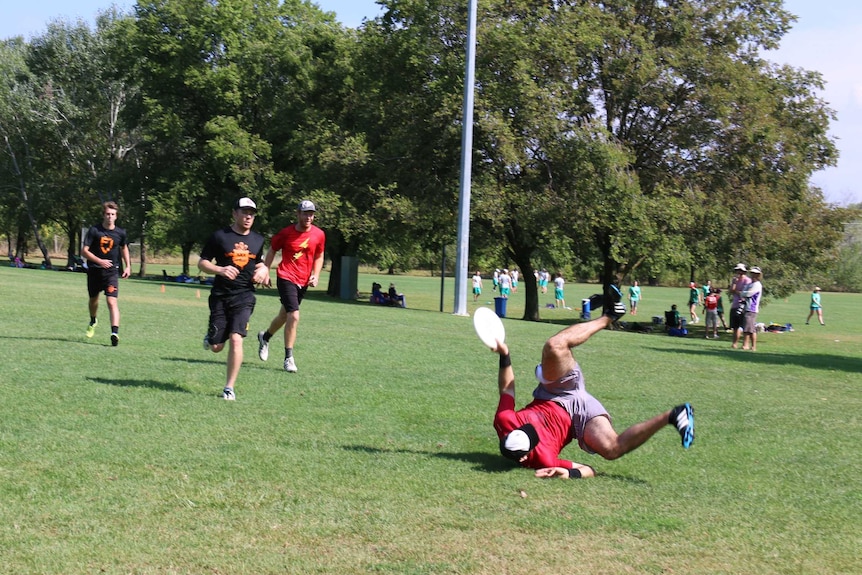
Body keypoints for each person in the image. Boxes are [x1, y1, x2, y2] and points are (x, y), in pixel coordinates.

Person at [491, 300, 694, 480]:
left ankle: (609, 317)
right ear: (526, 456)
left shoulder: (505, 422)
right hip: (579, 416)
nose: (529, 427)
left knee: (555, 346)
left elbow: (507, 390)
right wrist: (568, 473)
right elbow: (588, 469)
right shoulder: (544, 459)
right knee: (611, 449)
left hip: (554, 391)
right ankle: (674, 415)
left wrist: (505, 354)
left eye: (523, 429)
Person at [197, 197, 270, 400]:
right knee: (217, 347)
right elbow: (202, 263)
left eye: (252, 213)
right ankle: (211, 336)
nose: (248, 216)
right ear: (234, 213)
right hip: (220, 296)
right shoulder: (220, 236)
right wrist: (220, 269)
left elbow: (260, 262)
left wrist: (264, 270)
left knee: (236, 340)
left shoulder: (258, 240)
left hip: (245, 296)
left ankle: (229, 387)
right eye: (244, 212)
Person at [257, 200, 326, 373]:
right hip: (286, 276)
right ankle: (289, 358)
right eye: (305, 213)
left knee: (284, 316)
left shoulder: (319, 234)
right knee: (293, 316)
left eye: (311, 213)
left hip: (303, 281)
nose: (308, 217)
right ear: (297, 214)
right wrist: (265, 270)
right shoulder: (286, 233)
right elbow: (272, 249)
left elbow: (319, 255)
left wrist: (316, 275)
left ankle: (264, 337)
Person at [82, 201, 131, 346]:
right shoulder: (94, 231)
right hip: (94, 272)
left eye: (113, 214)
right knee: (93, 300)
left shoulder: (120, 233)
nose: (110, 217)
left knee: (111, 301)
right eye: (108, 214)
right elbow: (84, 251)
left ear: (116, 216)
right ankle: (93, 320)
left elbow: (124, 248)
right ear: (103, 215)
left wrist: (128, 266)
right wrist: (99, 261)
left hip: (111, 273)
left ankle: (114, 333)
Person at [738, 266, 763, 351]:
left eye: (755, 274)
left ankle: (747, 345)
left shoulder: (757, 285)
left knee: (748, 329)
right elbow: (744, 291)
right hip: (747, 308)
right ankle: (752, 346)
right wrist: (743, 293)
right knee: (750, 328)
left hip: (751, 309)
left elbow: (748, 294)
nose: (753, 275)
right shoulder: (750, 284)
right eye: (752, 273)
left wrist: (742, 293)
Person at [729, 263, 752, 349]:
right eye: (738, 270)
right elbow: (731, 291)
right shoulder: (735, 280)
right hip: (735, 304)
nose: (739, 272)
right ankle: (734, 344)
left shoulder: (747, 281)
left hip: (744, 305)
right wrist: (734, 284)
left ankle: (745, 344)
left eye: (741, 271)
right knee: (735, 326)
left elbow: (745, 293)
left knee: (745, 327)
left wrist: (737, 291)